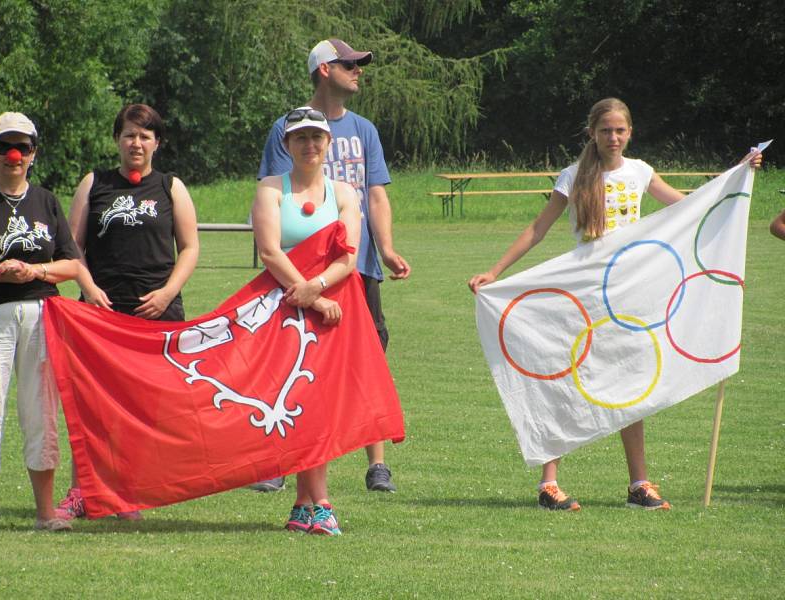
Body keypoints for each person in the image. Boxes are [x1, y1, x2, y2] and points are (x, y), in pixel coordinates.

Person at [468, 97, 763, 511]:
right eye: (605, 130)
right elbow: (538, 228)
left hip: (629, 296)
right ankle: (549, 485)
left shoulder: (640, 171)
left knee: (632, 383)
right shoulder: (573, 176)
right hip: (583, 295)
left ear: (630, 133)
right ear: (592, 132)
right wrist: (495, 272)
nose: (613, 137)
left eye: (620, 130)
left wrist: (737, 175)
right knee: (564, 377)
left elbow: (691, 205)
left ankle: (638, 485)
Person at [253, 38, 410, 493]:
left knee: (367, 358)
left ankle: (377, 464)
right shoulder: (289, 128)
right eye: (350, 64)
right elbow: (278, 197)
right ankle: (282, 462)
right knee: (291, 357)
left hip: (354, 266)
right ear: (324, 70)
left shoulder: (365, 130)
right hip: (297, 269)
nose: (359, 71)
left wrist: (387, 248)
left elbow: (375, 192)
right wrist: (290, 277)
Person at [55, 104, 199, 520]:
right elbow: (73, 246)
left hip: (158, 315)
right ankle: (82, 489)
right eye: (129, 134)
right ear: (117, 139)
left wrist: (167, 292)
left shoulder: (171, 186)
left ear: (158, 142)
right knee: (94, 405)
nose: (137, 142)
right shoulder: (94, 183)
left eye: (145, 135)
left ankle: (126, 493)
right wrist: (89, 288)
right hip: (101, 314)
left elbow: (189, 248)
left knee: (143, 410)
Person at [253, 107, 361, 534]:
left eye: (317, 137)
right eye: (300, 138)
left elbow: (349, 257)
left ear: (328, 142)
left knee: (318, 407)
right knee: (297, 405)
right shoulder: (270, 189)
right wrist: (311, 296)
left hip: (333, 315)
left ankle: (305, 503)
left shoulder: (344, 192)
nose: (309, 145)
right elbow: (270, 251)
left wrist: (316, 290)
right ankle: (319, 503)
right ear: (287, 145)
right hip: (285, 313)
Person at [0, 112, 80, 531]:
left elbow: (72, 265)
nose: (14, 155)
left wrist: (36, 272)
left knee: (41, 411)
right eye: (6, 146)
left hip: (43, 312)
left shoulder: (46, 200)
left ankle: (45, 513)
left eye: (23, 147)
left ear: (34, 153)